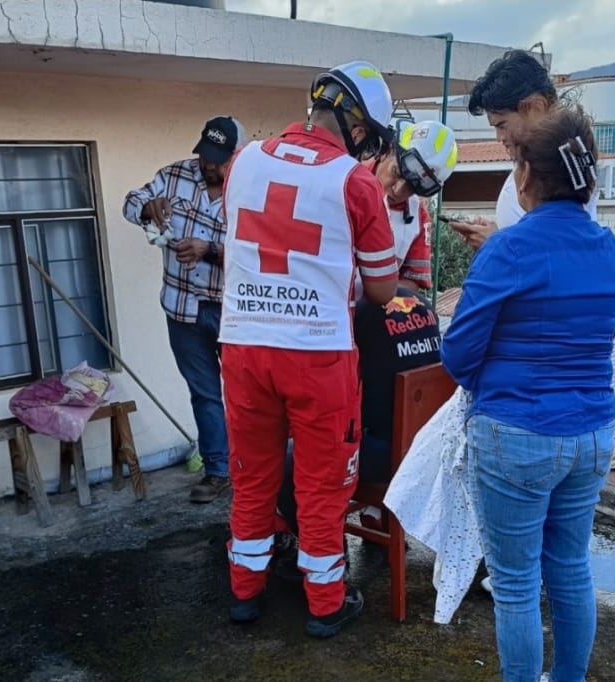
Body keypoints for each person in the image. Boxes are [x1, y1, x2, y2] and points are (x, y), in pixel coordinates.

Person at [439, 105, 615, 681]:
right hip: (592, 434)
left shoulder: (508, 251)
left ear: (525, 176)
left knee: (518, 584)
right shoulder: (611, 251)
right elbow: (600, 338)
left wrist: (497, 382)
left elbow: (457, 356)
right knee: (571, 567)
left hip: (516, 437)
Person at [217, 61, 399, 638]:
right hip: (318, 353)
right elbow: (383, 289)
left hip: (244, 346)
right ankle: (325, 603)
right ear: (359, 126)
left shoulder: (243, 159)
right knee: (322, 485)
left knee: (251, 475)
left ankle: (245, 592)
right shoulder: (356, 180)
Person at [123, 116, 245, 504]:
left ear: (236, 155)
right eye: (206, 157)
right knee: (204, 394)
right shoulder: (174, 175)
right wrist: (147, 210)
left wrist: (209, 250)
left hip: (235, 312)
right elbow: (131, 200)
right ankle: (218, 472)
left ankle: (255, 472)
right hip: (182, 309)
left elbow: (262, 255)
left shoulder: (251, 188)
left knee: (248, 396)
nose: (210, 167)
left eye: (219, 160)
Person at [275, 288, 442, 537]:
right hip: (429, 447)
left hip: (385, 457)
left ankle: (324, 548)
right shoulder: (423, 305)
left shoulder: (355, 315)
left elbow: (336, 395)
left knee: (286, 459)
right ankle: (374, 522)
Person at [447, 49, 598, 248]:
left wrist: (496, 245)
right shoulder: (534, 166)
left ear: (536, 107)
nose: (499, 138)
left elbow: (560, 254)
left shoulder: (569, 173)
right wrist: (497, 237)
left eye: (502, 125)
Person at [367, 119, 459, 291]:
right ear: (388, 151)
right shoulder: (346, 181)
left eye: (411, 187)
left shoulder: (418, 216)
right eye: (395, 172)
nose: (397, 189)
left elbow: (413, 281)